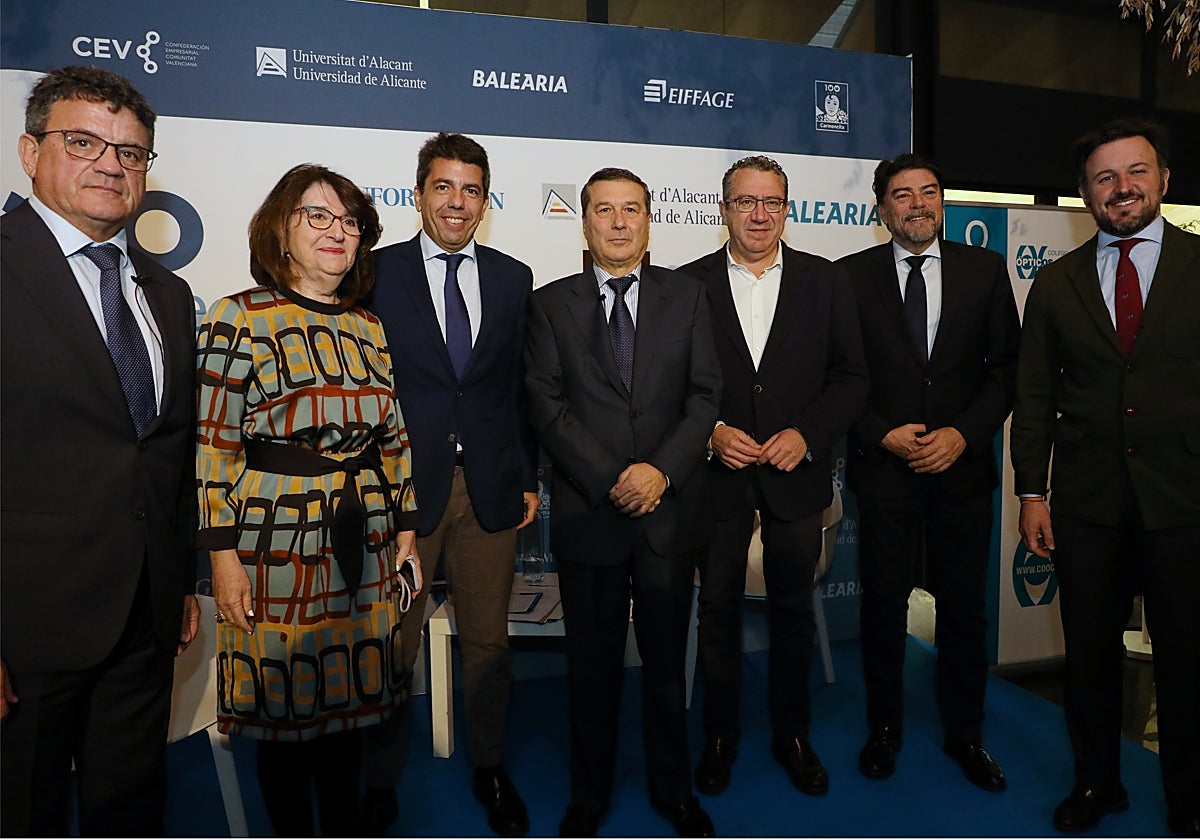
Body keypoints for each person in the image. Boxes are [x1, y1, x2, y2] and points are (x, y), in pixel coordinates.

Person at [0, 65, 200, 836]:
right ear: (29, 150)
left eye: (132, 152)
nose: (112, 163)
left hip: (143, 621)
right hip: (28, 630)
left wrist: (176, 580)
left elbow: (167, 455)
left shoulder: (168, 293)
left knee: (130, 805)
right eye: (84, 142)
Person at [196, 163, 421, 836]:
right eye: (317, 216)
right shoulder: (238, 315)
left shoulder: (368, 328)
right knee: (285, 714)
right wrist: (222, 558)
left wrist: (407, 528)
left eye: (350, 221)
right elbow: (212, 448)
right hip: (274, 545)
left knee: (351, 705)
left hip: (368, 541)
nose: (338, 231)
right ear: (281, 230)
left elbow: (394, 435)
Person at [1010, 119, 1199, 837]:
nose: (1122, 188)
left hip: (1187, 500)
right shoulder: (1055, 283)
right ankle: (1098, 785)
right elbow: (1032, 396)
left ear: (1164, 179)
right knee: (1089, 658)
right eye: (1104, 178)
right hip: (1087, 503)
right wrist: (1033, 490)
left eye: (1136, 172)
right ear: (1086, 193)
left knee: (1187, 658)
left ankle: (1189, 799)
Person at [525, 167, 722, 838]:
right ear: (584, 223)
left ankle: (676, 792)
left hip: (668, 513)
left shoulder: (689, 298)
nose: (617, 222)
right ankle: (589, 796)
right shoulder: (550, 305)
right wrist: (614, 477)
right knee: (593, 669)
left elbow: (704, 398)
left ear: (647, 220)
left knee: (667, 667)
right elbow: (546, 407)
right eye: (603, 210)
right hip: (591, 513)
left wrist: (660, 473)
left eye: (630, 209)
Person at [361, 132, 537, 837]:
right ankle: (378, 783)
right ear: (419, 193)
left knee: (489, 644)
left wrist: (526, 474)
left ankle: (491, 769)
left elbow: (518, 389)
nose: (456, 202)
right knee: (392, 643)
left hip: (488, 489)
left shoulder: (512, 277)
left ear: (485, 200)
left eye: (470, 189)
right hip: (403, 497)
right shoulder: (373, 272)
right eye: (443, 187)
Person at [679, 155, 867, 798]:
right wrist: (708, 433)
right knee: (718, 611)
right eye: (745, 201)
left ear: (787, 209)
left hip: (796, 477)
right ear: (724, 208)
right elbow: (668, 383)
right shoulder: (687, 284)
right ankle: (720, 737)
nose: (759, 214)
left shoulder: (826, 282)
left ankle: (793, 735)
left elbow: (852, 379)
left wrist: (807, 435)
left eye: (772, 203)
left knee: (793, 613)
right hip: (718, 479)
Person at [837, 153, 1020, 792]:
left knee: (964, 611)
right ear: (882, 209)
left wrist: (962, 434)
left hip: (961, 472)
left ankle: (965, 733)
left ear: (942, 202)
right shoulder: (849, 277)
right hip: (883, 473)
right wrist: (877, 432)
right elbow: (840, 377)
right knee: (884, 608)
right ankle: (884, 729)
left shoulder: (986, 271)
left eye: (929, 192)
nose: (918, 204)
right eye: (902, 194)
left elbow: (1006, 373)